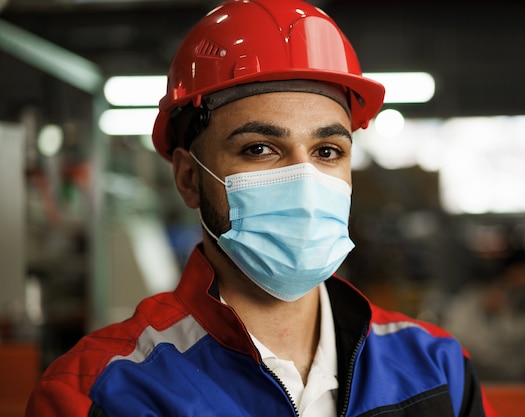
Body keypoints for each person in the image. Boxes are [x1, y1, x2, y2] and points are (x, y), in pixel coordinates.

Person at [26, 0, 497, 416]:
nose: (305, 180)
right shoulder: (103, 393)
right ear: (190, 179)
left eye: (328, 151)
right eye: (259, 149)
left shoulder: (437, 368)